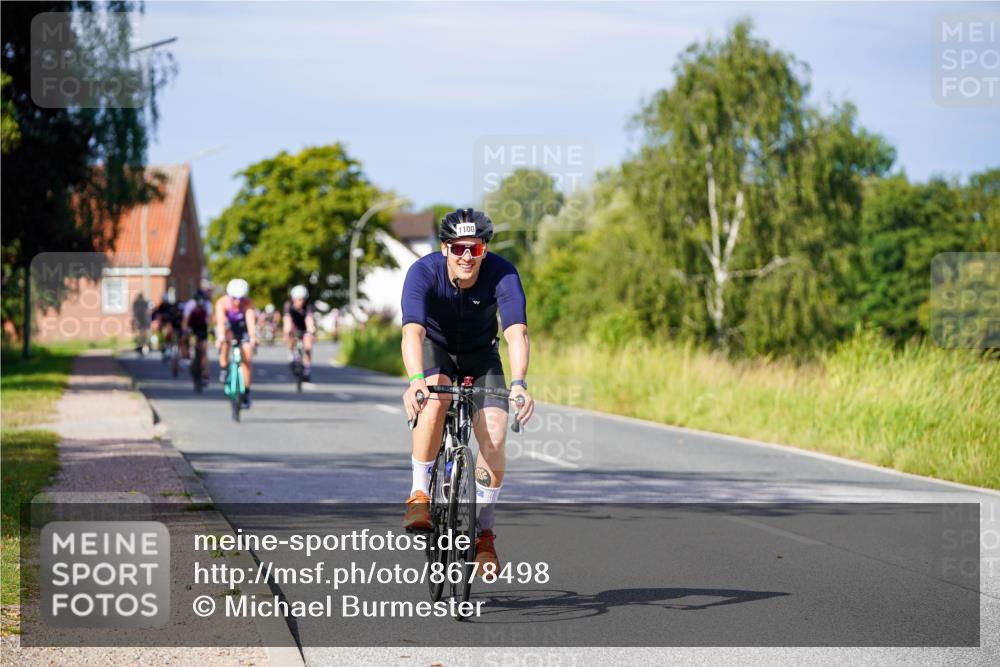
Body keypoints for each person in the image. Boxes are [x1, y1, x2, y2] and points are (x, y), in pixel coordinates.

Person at [399, 208, 535, 572]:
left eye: (473, 249)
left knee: (494, 432)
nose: (465, 257)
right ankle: (419, 494)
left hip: (480, 353)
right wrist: (415, 382)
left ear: (484, 250)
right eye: (458, 248)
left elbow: (516, 331)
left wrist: (519, 382)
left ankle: (484, 535)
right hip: (437, 348)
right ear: (445, 248)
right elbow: (412, 331)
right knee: (436, 396)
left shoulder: (502, 272)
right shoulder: (423, 272)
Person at [215, 278, 257, 408]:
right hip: (228, 328)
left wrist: (253, 337)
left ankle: (246, 391)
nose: (238, 302)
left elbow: (250, 323)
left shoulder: (248, 304)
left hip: (242, 328)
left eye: (241, 298)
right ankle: (223, 368)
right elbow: (221, 323)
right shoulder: (222, 303)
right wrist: (221, 337)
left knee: (247, 359)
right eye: (234, 298)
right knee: (225, 341)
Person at [283, 285, 316, 381]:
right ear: (293, 299)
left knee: (308, 346)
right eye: (297, 299)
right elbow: (287, 319)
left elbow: (309, 319)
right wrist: (287, 331)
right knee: (289, 334)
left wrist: (311, 331)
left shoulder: (308, 306)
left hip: (304, 326)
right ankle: (290, 354)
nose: (300, 302)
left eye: (302, 299)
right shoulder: (288, 305)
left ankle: (307, 370)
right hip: (293, 326)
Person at [182, 289, 212, 385]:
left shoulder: (207, 305)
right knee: (185, 340)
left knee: (204, 350)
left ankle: (205, 372)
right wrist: (186, 330)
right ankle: (187, 356)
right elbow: (185, 321)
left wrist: (211, 328)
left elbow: (210, 319)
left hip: (202, 327)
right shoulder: (190, 305)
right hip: (192, 327)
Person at [150, 293, 181, 358]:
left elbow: (173, 316)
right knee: (164, 334)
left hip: (169, 323)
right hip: (163, 323)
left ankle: (170, 347)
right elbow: (157, 315)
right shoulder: (161, 307)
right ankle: (165, 346)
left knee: (169, 334)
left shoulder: (170, 306)